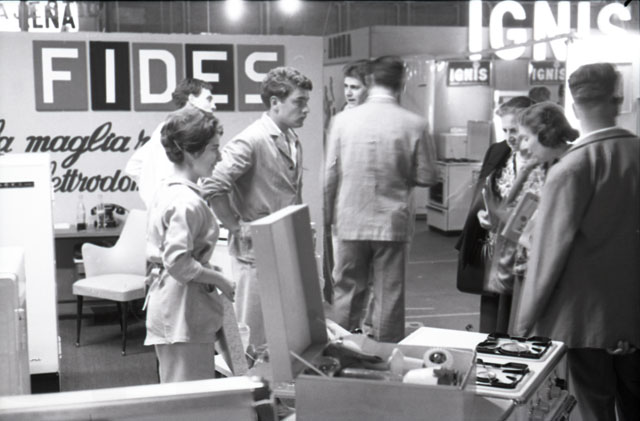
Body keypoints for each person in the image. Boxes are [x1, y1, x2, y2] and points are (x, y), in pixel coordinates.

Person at [513, 63, 640, 421]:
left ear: (573, 107)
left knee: (593, 408)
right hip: (634, 316)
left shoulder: (571, 169)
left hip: (585, 322)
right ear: (618, 99)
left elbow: (548, 256)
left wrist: (524, 326)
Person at [324, 56, 438, 343]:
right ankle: (385, 356)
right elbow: (427, 176)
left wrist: (327, 220)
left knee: (346, 291)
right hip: (391, 224)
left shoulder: (342, 121)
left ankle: (339, 351)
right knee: (389, 294)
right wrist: (400, 174)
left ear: (371, 81)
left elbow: (330, 176)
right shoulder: (414, 123)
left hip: (349, 221)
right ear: (402, 83)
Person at [201, 66, 313, 347]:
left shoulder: (291, 138)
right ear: (275, 102)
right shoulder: (251, 139)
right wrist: (235, 226)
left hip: (283, 248)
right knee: (247, 333)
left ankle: (269, 375)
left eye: (306, 102)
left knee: (280, 332)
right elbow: (212, 184)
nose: (306, 109)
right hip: (254, 254)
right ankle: (240, 375)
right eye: (299, 102)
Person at [144, 106, 235, 383]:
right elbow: (178, 263)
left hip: (177, 306)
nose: (220, 156)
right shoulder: (186, 202)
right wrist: (220, 280)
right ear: (191, 151)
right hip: (180, 310)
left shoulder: (170, 189)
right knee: (187, 395)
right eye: (214, 149)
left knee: (184, 389)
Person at [485, 102, 577, 332]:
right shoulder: (542, 165)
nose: (522, 145)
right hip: (527, 263)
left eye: (525, 137)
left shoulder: (567, 168)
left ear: (545, 134)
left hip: (551, 270)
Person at [455, 96, 535, 334]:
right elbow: (483, 192)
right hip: (497, 250)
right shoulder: (499, 151)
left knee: (520, 323)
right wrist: (482, 214)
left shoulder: (544, 158)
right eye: (505, 130)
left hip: (527, 252)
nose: (509, 137)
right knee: (493, 321)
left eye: (514, 130)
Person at [125, 78, 216, 208]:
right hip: (178, 207)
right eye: (209, 99)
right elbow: (135, 168)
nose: (214, 106)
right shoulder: (172, 131)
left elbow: (133, 167)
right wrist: (154, 200)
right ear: (192, 99)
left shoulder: (175, 129)